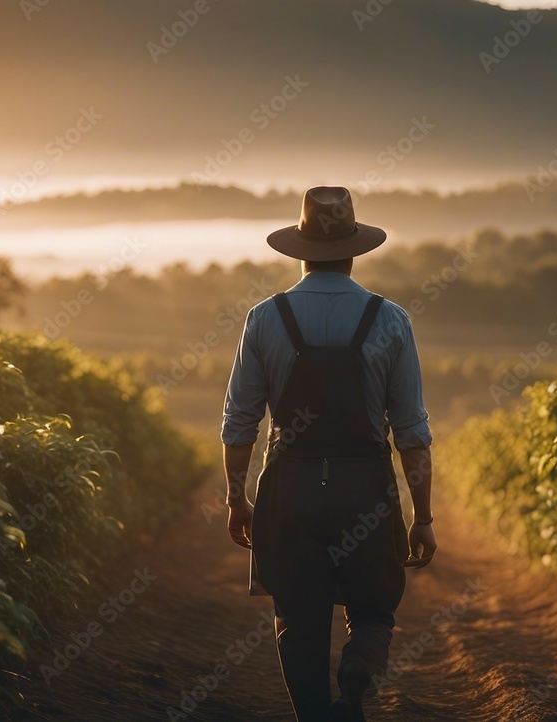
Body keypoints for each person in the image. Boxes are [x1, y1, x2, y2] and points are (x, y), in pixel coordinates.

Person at [221, 186, 436, 722]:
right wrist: (423, 515)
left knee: (296, 616)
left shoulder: (264, 318)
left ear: (298, 249)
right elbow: (411, 430)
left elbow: (239, 422)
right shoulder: (390, 320)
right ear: (355, 248)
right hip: (364, 484)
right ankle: (357, 671)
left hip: (290, 485)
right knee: (373, 606)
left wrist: (235, 497)